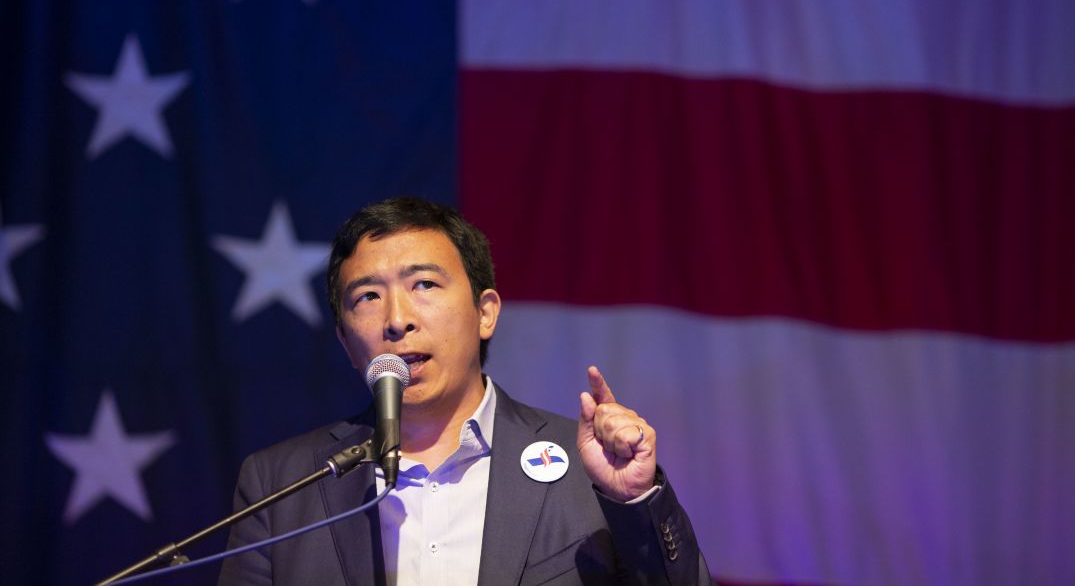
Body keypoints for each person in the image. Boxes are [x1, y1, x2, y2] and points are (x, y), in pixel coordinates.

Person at [218, 197, 713, 585]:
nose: (397, 320)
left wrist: (633, 503)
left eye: (425, 285)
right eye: (367, 297)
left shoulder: (587, 470)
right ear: (347, 343)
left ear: (485, 313)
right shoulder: (279, 485)